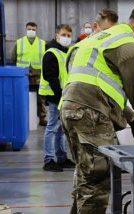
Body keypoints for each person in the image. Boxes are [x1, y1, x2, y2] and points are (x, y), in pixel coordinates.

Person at [60, 6, 134, 213]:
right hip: (91, 113)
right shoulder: (131, 48)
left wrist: (133, 121)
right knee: (96, 184)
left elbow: (105, 87)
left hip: (70, 109)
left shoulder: (99, 38)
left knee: (85, 178)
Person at [39, 24, 75, 172]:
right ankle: (48, 160)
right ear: (57, 35)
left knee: (61, 129)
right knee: (52, 128)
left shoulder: (65, 52)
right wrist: (60, 96)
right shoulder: (51, 52)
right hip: (56, 96)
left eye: (69, 35)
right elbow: (50, 76)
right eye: (64, 35)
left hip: (64, 96)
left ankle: (61, 158)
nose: (66, 38)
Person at [12, 22, 47, 126]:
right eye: (29, 29)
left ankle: (42, 118)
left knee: (40, 98)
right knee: (22, 96)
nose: (31, 31)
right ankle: (22, 118)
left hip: (38, 74)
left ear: (36, 31)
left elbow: (46, 59)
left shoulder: (42, 43)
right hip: (23, 74)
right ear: (26, 29)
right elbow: (13, 58)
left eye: (33, 29)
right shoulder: (19, 42)